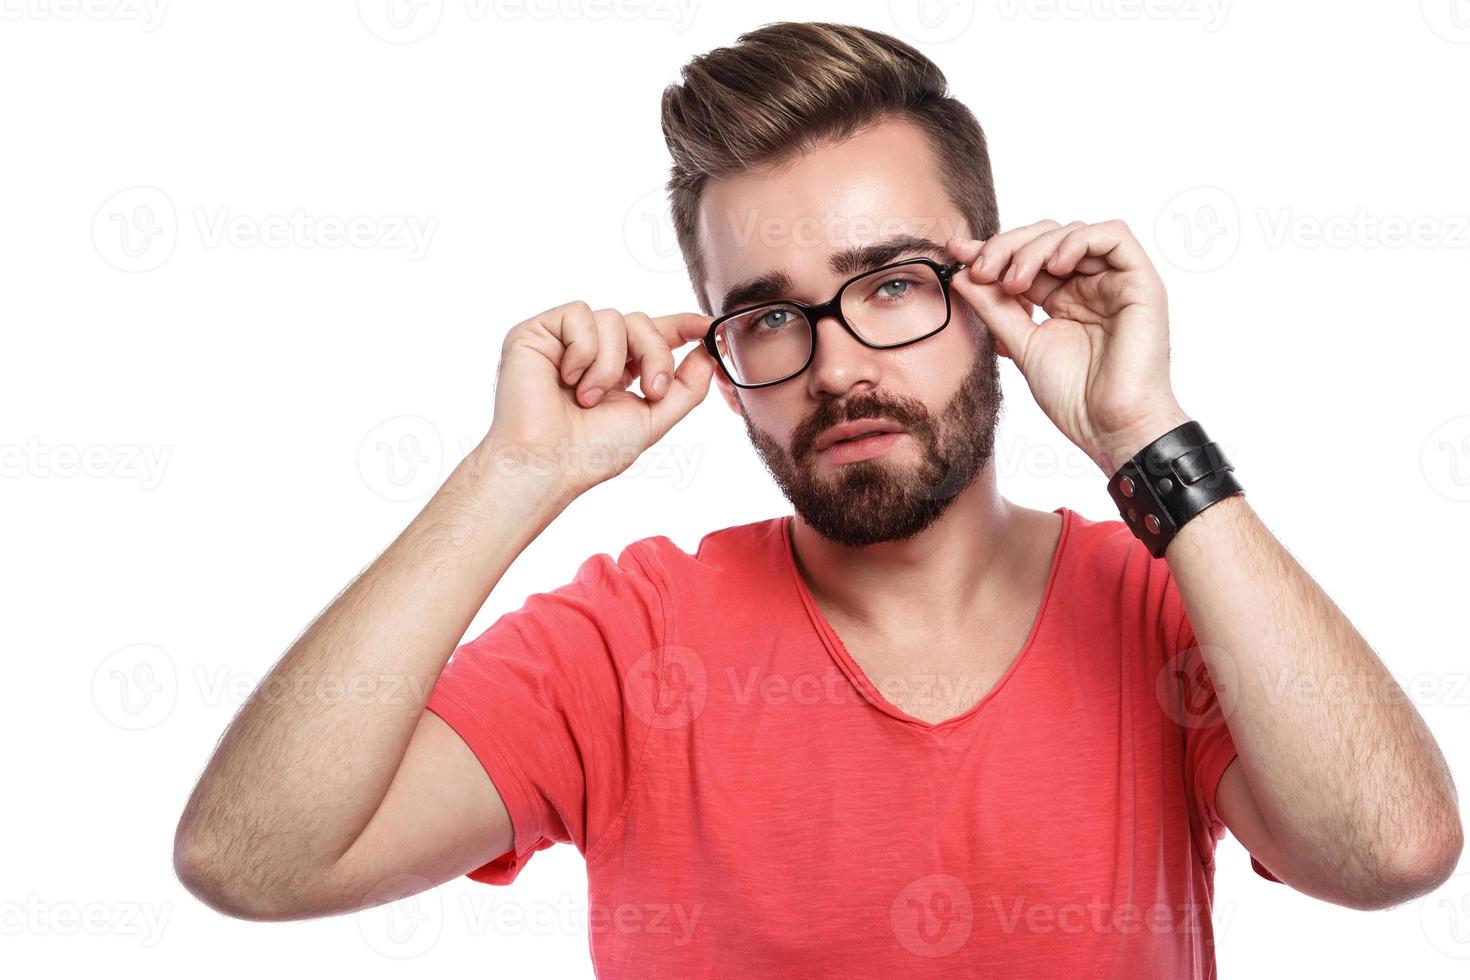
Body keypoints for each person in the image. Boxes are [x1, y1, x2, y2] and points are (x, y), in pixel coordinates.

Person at [173, 21, 1462, 978]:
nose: (837, 365)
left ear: (997, 292)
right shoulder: (632, 639)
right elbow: (253, 861)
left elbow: (1395, 853)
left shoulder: (1161, 605)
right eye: (770, 314)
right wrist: (514, 478)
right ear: (728, 368)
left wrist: (1148, 435)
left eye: (892, 282)